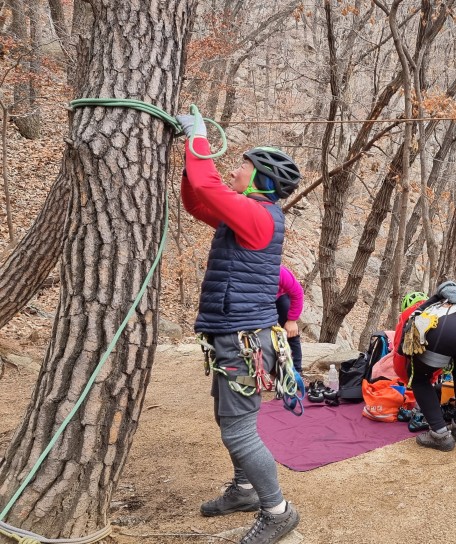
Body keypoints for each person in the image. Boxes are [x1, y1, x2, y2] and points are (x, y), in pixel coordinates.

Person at [177, 111, 302, 544]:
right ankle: (245, 490)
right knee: (228, 419)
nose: (233, 168)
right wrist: (188, 156)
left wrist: (198, 139)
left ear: (260, 179)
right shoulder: (247, 215)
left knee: (238, 429)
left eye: (242, 165)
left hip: (242, 338)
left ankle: (277, 511)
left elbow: (209, 185)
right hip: (233, 334)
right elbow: (197, 201)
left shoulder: (260, 216)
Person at [395, 281, 456, 452]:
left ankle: (439, 434)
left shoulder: (423, 308)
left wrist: (412, 366)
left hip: (445, 331)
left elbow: (402, 350)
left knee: (419, 378)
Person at [276, 265, 304, 373]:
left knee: (292, 333)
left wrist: (292, 320)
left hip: (280, 296)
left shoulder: (280, 272)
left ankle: (297, 371)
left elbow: (297, 293)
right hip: (256, 299)